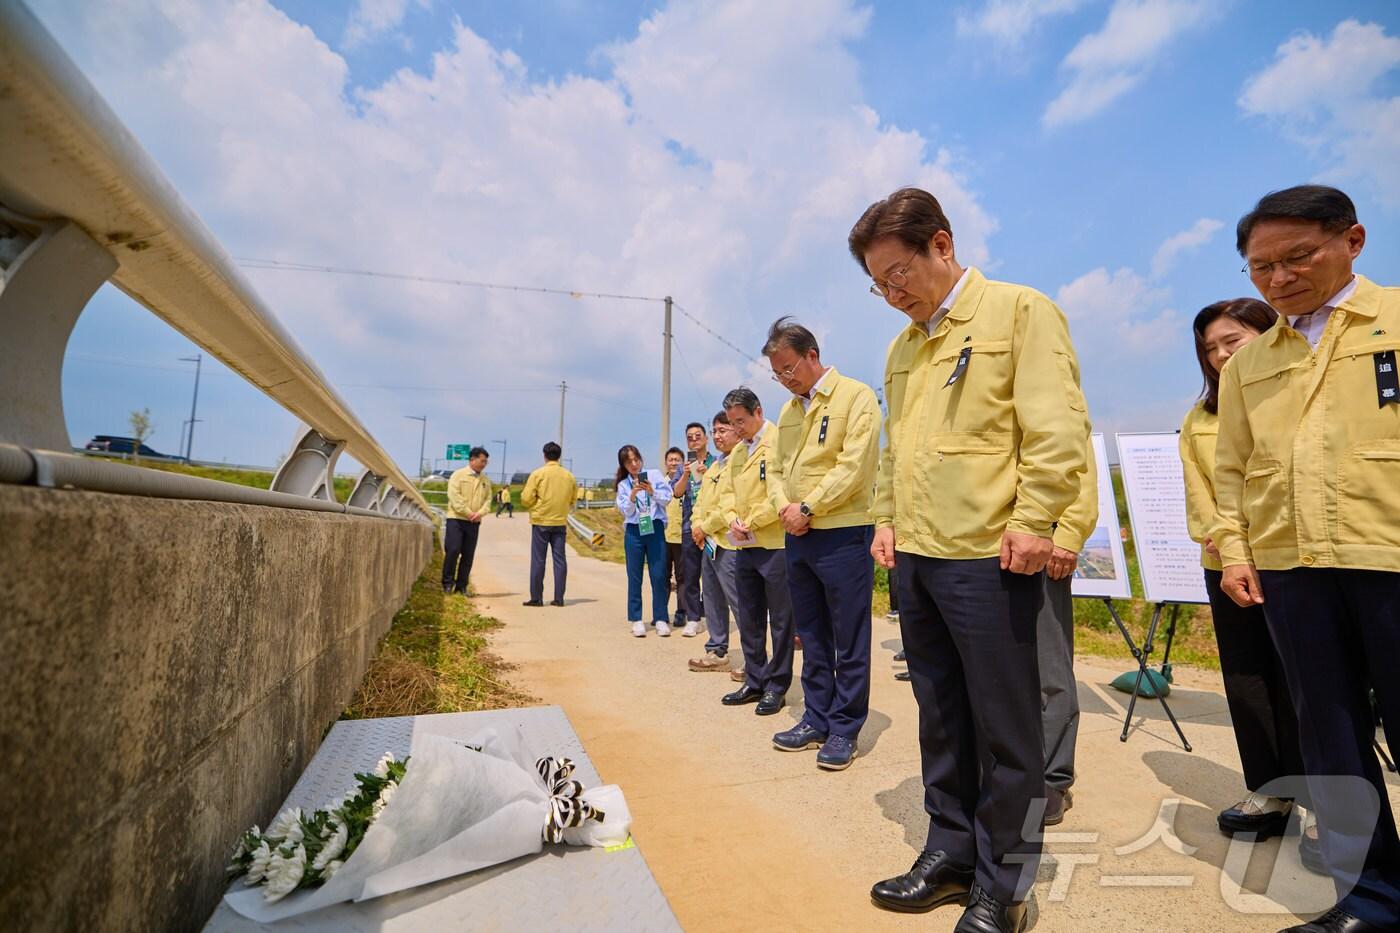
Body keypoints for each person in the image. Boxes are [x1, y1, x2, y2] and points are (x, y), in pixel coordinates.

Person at [852, 187, 1089, 932]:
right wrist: (885, 519)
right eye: (878, 283)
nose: (892, 294)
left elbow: (1056, 431)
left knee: (1007, 730)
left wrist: (1034, 519)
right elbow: (898, 448)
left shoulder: (1020, 313)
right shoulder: (903, 346)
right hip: (918, 559)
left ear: (942, 245)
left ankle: (1004, 885)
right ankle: (950, 853)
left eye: (899, 274)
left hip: (993, 556)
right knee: (942, 717)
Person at [1215, 185, 1400, 933]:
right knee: (1330, 732)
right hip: (1292, 566)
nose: (1279, 279)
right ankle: (1373, 898)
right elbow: (1231, 470)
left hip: (1387, 554)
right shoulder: (1249, 364)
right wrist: (1235, 550)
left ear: (1351, 240)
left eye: (1298, 257)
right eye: (1262, 268)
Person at [1180, 298, 1319, 867]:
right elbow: (1202, 493)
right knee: (1250, 681)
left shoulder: (1297, 397)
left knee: (1315, 685)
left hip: (1296, 561)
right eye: (1209, 348)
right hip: (1229, 566)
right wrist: (1224, 540)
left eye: (1231, 341)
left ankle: (1334, 806)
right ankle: (1273, 791)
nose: (1219, 356)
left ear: (1270, 335)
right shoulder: (1201, 418)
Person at [763, 317, 882, 771]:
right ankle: (815, 716)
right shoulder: (789, 411)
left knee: (848, 634)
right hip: (797, 534)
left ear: (812, 355)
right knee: (810, 633)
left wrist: (808, 507)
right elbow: (775, 468)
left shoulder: (855, 397)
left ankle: (845, 727)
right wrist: (784, 509)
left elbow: (855, 466)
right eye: (777, 374)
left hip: (842, 533)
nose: (785, 380)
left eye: (789, 369)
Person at [719, 387, 793, 716]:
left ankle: (777, 685)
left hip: (774, 543)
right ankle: (755, 678)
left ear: (758, 412)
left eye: (741, 421)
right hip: (745, 544)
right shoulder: (737, 452)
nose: (737, 429)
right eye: (732, 423)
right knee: (748, 616)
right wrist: (732, 518)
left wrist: (754, 520)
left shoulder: (778, 440)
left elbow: (783, 488)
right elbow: (726, 493)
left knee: (780, 620)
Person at [1038, 430, 1098, 826]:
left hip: (1043, 544)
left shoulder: (1049, 383)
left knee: (1049, 668)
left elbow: (1082, 472)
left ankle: (1053, 780)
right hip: (981, 546)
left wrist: (1069, 536)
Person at [690, 412, 741, 672]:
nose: (718, 436)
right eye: (716, 431)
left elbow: (729, 505)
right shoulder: (714, 467)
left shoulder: (741, 461)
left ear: (737, 430)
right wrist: (696, 526)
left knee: (738, 600)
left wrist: (705, 527)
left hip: (730, 543)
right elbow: (700, 501)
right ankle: (716, 649)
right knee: (711, 597)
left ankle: (754, 658)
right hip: (709, 543)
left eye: (724, 430)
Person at [615, 444, 673, 637]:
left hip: (654, 527)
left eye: (636, 459)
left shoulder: (654, 475)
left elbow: (667, 499)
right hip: (634, 530)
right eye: (629, 461)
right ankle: (636, 619)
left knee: (658, 575)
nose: (634, 464)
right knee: (634, 576)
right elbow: (625, 511)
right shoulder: (623, 485)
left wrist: (651, 492)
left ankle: (661, 618)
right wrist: (632, 496)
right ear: (623, 464)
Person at [520, 441, 576, 608]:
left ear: (544, 455)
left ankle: (536, 598)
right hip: (560, 521)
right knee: (560, 560)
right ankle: (559, 598)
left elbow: (525, 498)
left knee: (538, 560)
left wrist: (534, 505)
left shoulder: (538, 474)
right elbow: (573, 499)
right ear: (559, 456)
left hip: (541, 521)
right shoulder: (569, 476)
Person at [677, 422, 715, 636]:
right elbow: (676, 492)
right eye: (690, 437)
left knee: (713, 576)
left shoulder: (717, 462)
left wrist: (708, 473)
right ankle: (693, 618)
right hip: (689, 527)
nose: (694, 440)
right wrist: (684, 475)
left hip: (712, 528)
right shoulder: (685, 465)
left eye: (697, 436)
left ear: (706, 438)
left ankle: (712, 617)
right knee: (690, 575)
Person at [443, 447, 492, 596]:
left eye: (486, 462)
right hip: (456, 519)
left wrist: (480, 513)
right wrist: (468, 512)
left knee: (468, 554)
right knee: (453, 550)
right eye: (482, 461)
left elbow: (488, 500)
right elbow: (454, 496)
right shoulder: (458, 475)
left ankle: (462, 586)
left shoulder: (485, 480)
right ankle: (447, 583)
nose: (484, 464)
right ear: (472, 459)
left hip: (474, 522)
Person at [662, 447, 690, 629]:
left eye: (677, 460)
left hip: (682, 537)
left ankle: (681, 612)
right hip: (662, 537)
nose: (673, 463)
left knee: (683, 577)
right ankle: (661, 612)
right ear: (665, 463)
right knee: (662, 576)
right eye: (670, 460)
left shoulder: (687, 481)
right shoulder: (659, 483)